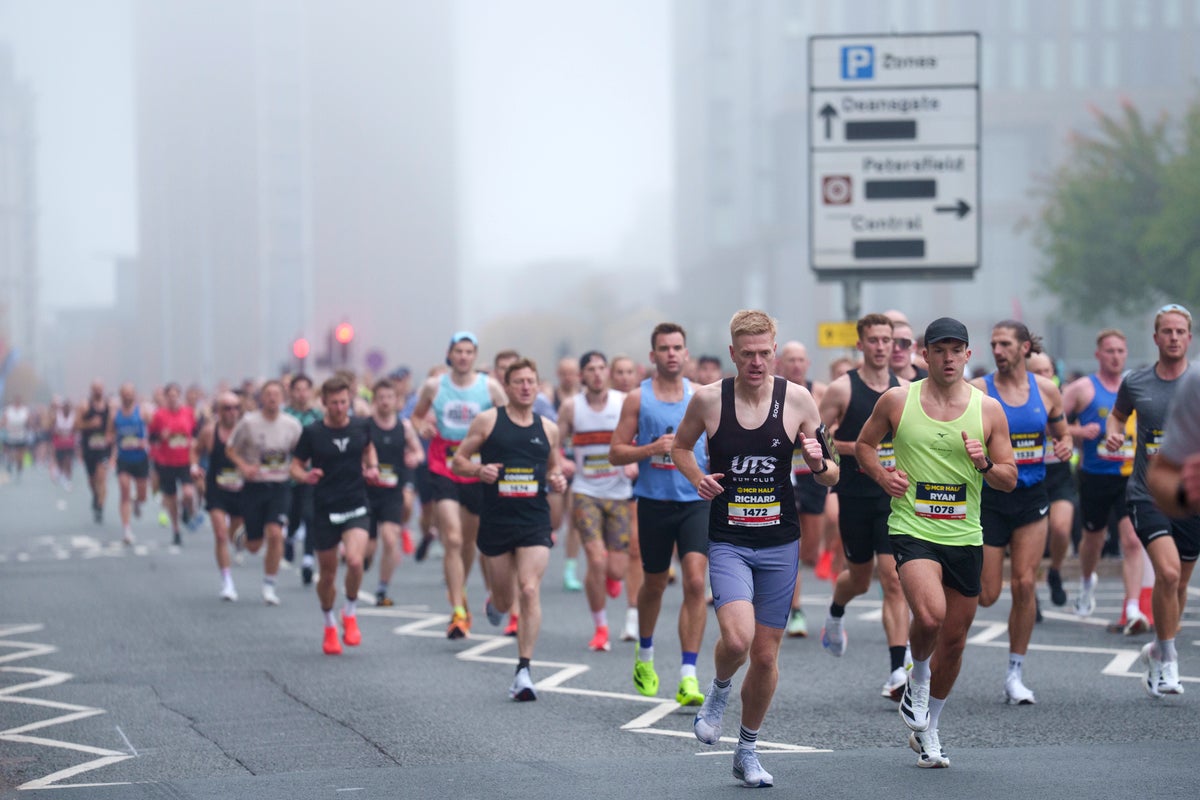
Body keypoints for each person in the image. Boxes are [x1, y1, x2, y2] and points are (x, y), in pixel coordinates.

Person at [676, 310, 838, 788]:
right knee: (740, 639)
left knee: (766, 657)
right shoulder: (708, 400)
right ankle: (720, 691)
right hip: (729, 539)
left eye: (765, 353)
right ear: (732, 353)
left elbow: (832, 473)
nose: (757, 362)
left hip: (780, 542)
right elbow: (681, 448)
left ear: (774, 350)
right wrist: (696, 477)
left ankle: (747, 749)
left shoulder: (799, 400)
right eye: (747, 354)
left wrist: (818, 461)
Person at [856, 317, 1016, 769]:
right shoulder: (896, 400)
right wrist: (882, 474)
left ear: (968, 355)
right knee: (930, 615)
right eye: (939, 350)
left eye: (956, 350)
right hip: (912, 528)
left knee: (956, 640)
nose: (948, 358)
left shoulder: (988, 410)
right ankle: (917, 677)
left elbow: (1009, 478)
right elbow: (865, 446)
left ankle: (930, 731)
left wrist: (985, 464)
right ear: (924, 355)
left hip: (965, 534)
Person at [452, 358, 568, 700]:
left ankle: (524, 670)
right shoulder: (488, 421)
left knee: (529, 589)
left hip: (534, 519)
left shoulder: (548, 428)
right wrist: (478, 471)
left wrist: (558, 479)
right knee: (505, 600)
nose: (526, 387)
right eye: (519, 381)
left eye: (531, 381)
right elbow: (458, 460)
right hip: (497, 521)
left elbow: (554, 468)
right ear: (507, 385)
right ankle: (497, 603)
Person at [969, 321, 1072, 705]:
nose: (997, 349)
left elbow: (1063, 435)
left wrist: (1065, 447)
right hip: (991, 496)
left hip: (1031, 497)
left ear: (1024, 347)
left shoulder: (1045, 390)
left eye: (1005, 343)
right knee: (986, 595)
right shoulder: (979, 390)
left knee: (1026, 583)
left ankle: (1015, 674)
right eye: (993, 343)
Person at [610, 322, 710, 707]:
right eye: (664, 348)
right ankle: (646, 656)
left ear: (686, 354)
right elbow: (616, 451)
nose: (671, 354)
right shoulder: (638, 399)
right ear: (652, 356)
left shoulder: (701, 396)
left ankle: (688, 674)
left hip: (695, 500)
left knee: (697, 583)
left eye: (677, 347)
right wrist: (651, 448)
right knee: (653, 584)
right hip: (653, 501)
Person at [817, 313, 912, 700]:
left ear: (894, 345)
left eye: (886, 340)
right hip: (854, 494)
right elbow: (814, 440)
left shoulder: (907, 390)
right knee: (858, 577)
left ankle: (896, 672)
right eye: (872, 340)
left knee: (892, 578)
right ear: (860, 345)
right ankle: (835, 614)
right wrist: (856, 449)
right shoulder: (842, 390)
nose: (880, 346)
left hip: (893, 496)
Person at [1108, 304, 1197, 697]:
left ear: (1189, 338)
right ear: (1156, 337)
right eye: (1168, 331)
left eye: (1181, 331)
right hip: (1146, 493)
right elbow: (1117, 414)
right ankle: (1169, 664)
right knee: (1169, 573)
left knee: (1176, 590)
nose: (1174, 337)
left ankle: (1156, 649)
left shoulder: (1195, 383)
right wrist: (1114, 433)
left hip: (1190, 497)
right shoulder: (1137, 381)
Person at [411, 331, 507, 639]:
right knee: (451, 538)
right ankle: (457, 611)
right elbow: (415, 417)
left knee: (469, 541)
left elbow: (508, 419)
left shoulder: (489, 387)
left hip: (477, 470)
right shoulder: (434, 386)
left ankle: (460, 589)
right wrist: (422, 426)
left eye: (469, 351)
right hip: (444, 466)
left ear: (475, 356)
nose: (463, 356)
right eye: (458, 351)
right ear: (449, 354)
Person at [1061, 329, 1148, 632]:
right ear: (1098, 355)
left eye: (1120, 351)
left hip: (1129, 477)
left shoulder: (1135, 386)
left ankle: (1133, 607)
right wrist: (1078, 433)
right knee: (1093, 540)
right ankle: (1087, 582)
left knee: (1133, 540)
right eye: (1109, 351)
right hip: (1095, 476)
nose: (1115, 356)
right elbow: (1050, 421)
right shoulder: (1083, 388)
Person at [291, 376, 380, 654]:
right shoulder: (313, 433)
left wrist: (373, 466)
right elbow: (295, 465)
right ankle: (329, 623)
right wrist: (306, 476)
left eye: (344, 402)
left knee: (355, 561)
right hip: (325, 507)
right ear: (324, 403)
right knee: (327, 575)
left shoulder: (361, 426)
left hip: (355, 501)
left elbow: (367, 447)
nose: (340, 407)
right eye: (334, 403)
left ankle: (350, 613)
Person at [557, 351, 637, 652]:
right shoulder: (571, 407)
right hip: (585, 491)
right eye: (591, 369)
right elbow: (556, 443)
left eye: (602, 368)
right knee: (595, 558)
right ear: (582, 376)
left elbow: (640, 437)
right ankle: (601, 627)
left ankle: (611, 579)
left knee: (616, 569)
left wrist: (634, 461)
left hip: (618, 492)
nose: (598, 374)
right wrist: (559, 462)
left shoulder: (623, 402)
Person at [225, 380, 302, 606]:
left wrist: (297, 468)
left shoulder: (292, 425)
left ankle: (270, 585)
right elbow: (230, 449)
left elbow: (300, 452)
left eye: (277, 394)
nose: (272, 398)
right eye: (268, 394)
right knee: (254, 545)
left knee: (276, 533)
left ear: (283, 398)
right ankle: (241, 536)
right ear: (261, 398)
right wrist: (244, 467)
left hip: (279, 485)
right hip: (254, 486)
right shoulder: (249, 423)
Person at [774, 341, 829, 640]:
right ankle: (795, 609)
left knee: (809, 552)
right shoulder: (774, 393)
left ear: (807, 363)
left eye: (800, 360)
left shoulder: (818, 393)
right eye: (790, 359)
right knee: (792, 546)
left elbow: (830, 430)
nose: (795, 365)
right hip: (785, 476)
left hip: (813, 475)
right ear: (781, 363)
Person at [1027, 351, 1078, 616]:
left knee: (1060, 529)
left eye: (1048, 371)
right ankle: (1030, 592)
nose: (1044, 377)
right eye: (1037, 372)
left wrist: (1068, 439)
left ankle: (1055, 571)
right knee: (1033, 542)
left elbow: (1075, 429)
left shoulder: (1062, 395)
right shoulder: (1018, 399)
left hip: (1059, 477)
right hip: (1030, 478)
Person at [366, 378, 424, 606]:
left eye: (389, 398)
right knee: (367, 549)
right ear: (375, 401)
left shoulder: (404, 426)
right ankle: (365, 560)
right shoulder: (365, 426)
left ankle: (382, 588)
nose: (385, 402)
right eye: (381, 398)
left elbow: (419, 453)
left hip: (392, 491)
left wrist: (414, 457)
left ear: (396, 401)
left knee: (391, 540)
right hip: (367, 492)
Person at [193, 392, 245, 600]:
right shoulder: (209, 432)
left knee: (237, 535)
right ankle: (227, 582)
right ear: (218, 411)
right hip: (217, 489)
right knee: (221, 535)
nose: (231, 412)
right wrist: (194, 467)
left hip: (241, 490)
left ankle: (238, 545)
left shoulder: (246, 431)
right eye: (227, 408)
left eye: (235, 408)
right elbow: (195, 451)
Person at [284, 374, 323, 585]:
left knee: (310, 516)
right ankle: (289, 538)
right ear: (291, 392)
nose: (301, 393)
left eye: (305, 389)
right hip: (287, 476)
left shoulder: (317, 417)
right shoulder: (284, 416)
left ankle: (308, 559)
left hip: (310, 474)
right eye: (297, 389)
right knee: (293, 515)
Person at [150, 383, 200, 545]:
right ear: (165, 398)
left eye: (175, 396)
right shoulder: (159, 415)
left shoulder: (188, 413)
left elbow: (195, 434)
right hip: (166, 462)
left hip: (184, 461)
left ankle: (186, 510)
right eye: (169, 396)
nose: (173, 399)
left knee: (188, 493)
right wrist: (161, 437)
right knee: (171, 498)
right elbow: (151, 438)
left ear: (180, 396)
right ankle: (176, 529)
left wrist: (193, 443)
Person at [109, 384, 151, 545]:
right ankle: (127, 530)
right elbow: (111, 435)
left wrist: (144, 442)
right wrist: (112, 456)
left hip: (140, 458)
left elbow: (152, 432)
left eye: (130, 394)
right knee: (124, 490)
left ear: (134, 395)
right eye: (125, 394)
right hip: (124, 458)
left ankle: (137, 502)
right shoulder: (115, 415)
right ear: (121, 395)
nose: (128, 396)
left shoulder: (142, 412)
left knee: (143, 496)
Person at [77, 381, 113, 522]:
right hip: (89, 448)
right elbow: (76, 425)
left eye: (100, 389)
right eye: (96, 389)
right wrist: (89, 424)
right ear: (91, 390)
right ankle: (95, 496)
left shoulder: (108, 407)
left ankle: (100, 507)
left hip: (104, 449)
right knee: (92, 480)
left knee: (102, 478)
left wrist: (111, 436)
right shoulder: (85, 406)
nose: (98, 391)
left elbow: (112, 427)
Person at [50, 398, 76, 489]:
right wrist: (57, 431)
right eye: (65, 407)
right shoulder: (57, 416)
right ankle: (61, 475)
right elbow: (51, 427)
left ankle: (68, 480)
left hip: (69, 443)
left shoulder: (73, 416)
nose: (66, 409)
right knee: (61, 462)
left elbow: (76, 428)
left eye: (68, 407)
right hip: (59, 444)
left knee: (68, 461)